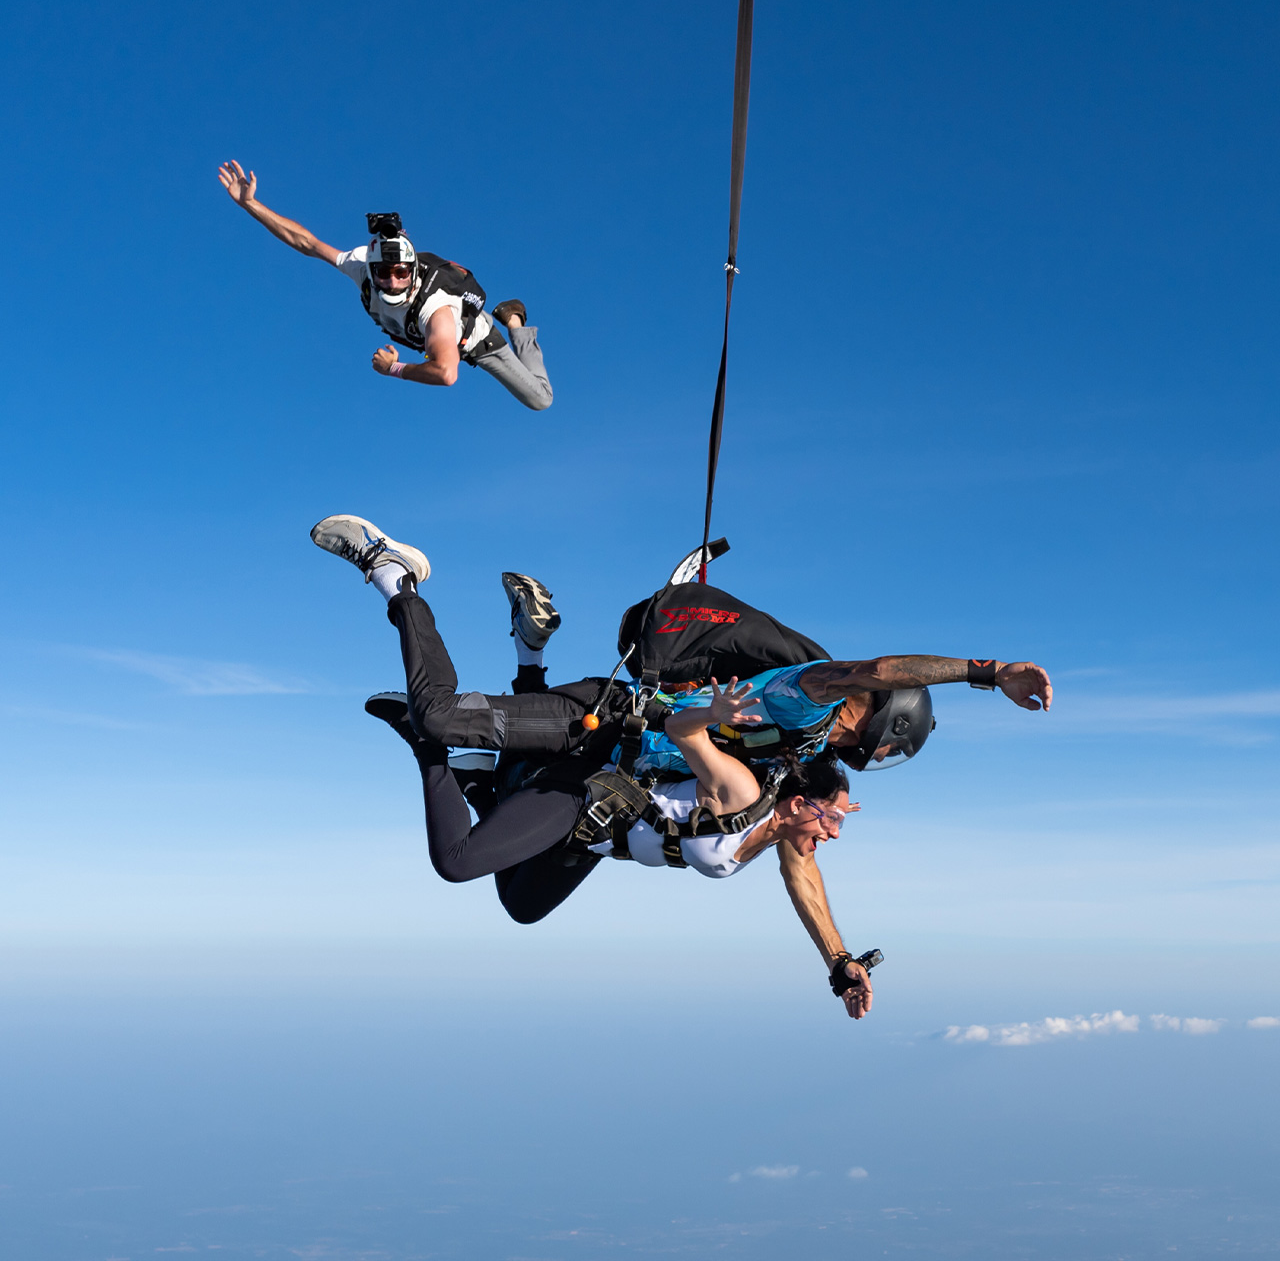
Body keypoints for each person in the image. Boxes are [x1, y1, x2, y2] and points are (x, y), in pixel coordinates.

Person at [309, 513, 1054, 1017]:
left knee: (521, 900)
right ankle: (396, 578)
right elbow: (881, 665)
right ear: (881, 717)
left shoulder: (800, 766)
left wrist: (838, 962)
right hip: (600, 724)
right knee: (443, 723)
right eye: (883, 747)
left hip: (607, 787)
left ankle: (513, 684)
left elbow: (804, 873)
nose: (868, 759)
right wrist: (989, 672)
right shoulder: (812, 696)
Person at [216, 160, 552, 411]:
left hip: (477, 342)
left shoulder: (437, 309)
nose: (392, 282)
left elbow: (447, 373)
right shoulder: (360, 267)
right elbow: (306, 242)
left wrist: (393, 369)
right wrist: (251, 204)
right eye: (383, 274)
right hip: (435, 341)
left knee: (540, 399)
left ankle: (513, 320)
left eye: (401, 273)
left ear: (414, 269)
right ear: (370, 268)